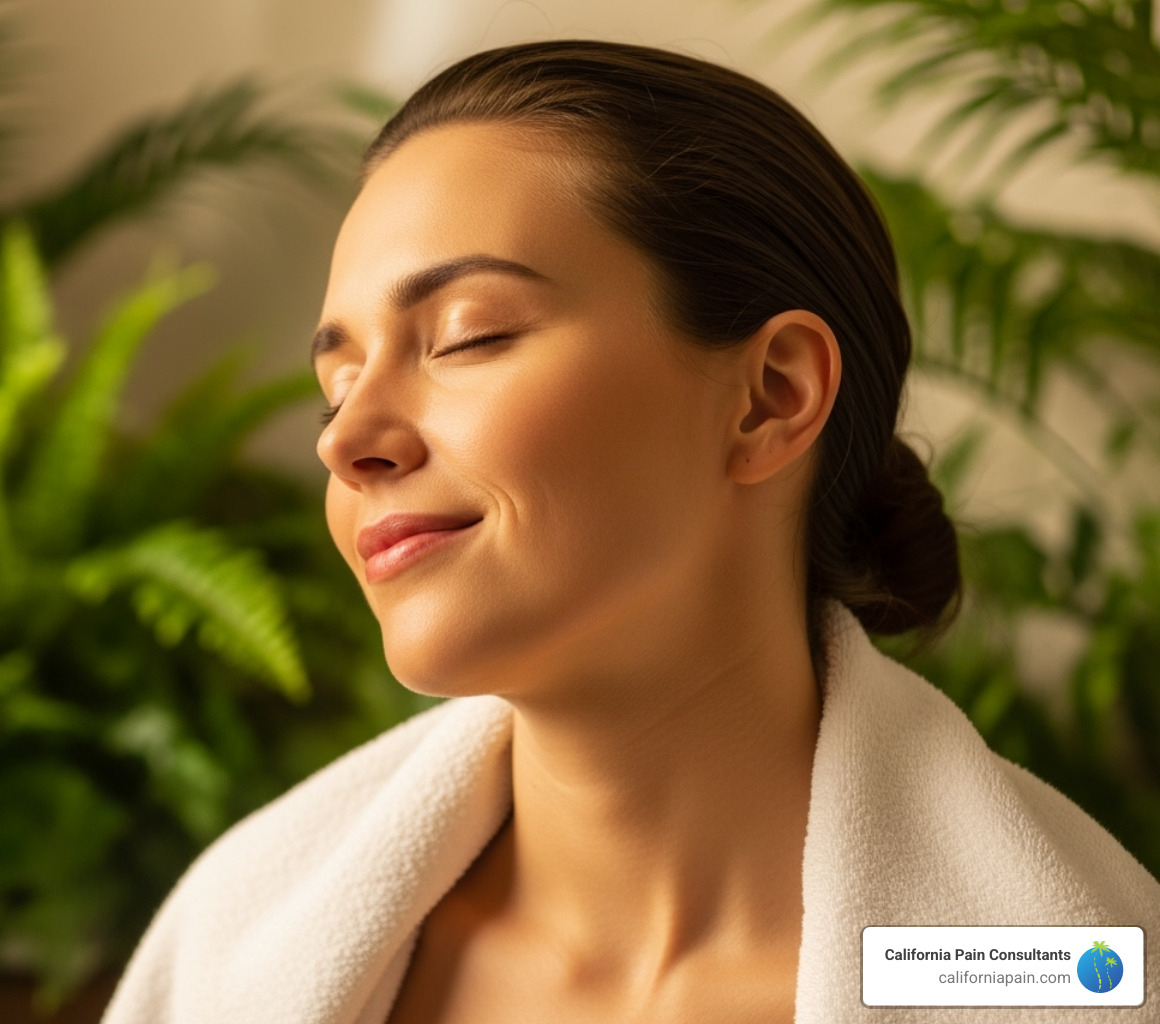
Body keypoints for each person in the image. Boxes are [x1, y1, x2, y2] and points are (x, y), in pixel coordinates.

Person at [100, 40, 1160, 1024]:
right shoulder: (232, 947)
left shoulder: (1068, 972)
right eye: (336, 385)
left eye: (469, 336)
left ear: (771, 397)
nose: (350, 440)